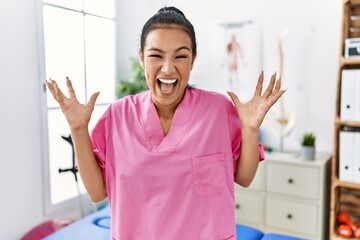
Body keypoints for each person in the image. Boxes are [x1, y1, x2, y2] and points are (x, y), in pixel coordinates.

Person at [45, 6, 285, 240]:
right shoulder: (118, 116)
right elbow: (98, 193)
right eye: (156, 55)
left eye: (180, 56)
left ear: (192, 60)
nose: (168, 68)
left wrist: (251, 129)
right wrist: (77, 129)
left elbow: (244, 178)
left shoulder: (218, 110)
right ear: (141, 58)